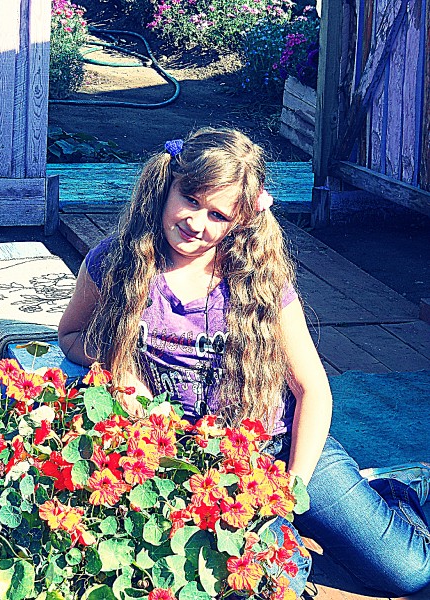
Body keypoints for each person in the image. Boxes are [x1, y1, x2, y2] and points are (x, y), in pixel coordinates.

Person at [59, 127, 430, 596]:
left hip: (282, 446)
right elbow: (70, 335)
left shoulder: (257, 281)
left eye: (218, 215)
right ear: (168, 184)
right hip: (193, 463)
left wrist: (290, 491)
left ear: (239, 221)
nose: (197, 222)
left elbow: (312, 389)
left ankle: (395, 492)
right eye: (191, 200)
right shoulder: (117, 263)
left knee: (409, 573)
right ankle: (300, 539)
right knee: (269, 581)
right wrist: (118, 361)